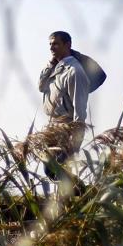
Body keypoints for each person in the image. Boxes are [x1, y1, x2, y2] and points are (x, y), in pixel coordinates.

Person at [38, 31, 89, 181]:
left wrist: (76, 140)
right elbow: (41, 86)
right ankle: (73, 192)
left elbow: (80, 108)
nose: (52, 48)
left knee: (54, 169)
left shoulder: (75, 71)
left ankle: (78, 190)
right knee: (51, 168)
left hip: (65, 128)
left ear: (68, 45)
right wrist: (50, 64)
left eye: (56, 44)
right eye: (50, 44)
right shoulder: (55, 67)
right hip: (52, 126)